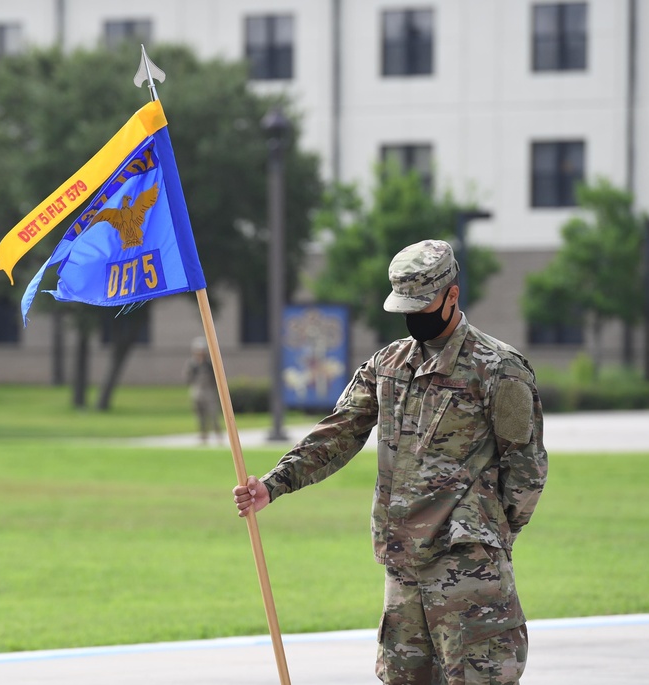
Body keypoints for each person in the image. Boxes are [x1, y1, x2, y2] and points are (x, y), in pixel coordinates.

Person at [233, 240, 547, 685]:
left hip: (467, 567)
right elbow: (340, 432)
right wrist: (274, 483)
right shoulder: (389, 364)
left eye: (422, 306)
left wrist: (491, 532)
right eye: (406, 307)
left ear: (452, 296)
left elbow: (527, 469)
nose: (412, 316)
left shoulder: (498, 368)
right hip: (403, 565)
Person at [186, 336, 222, 444]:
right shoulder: (192, 364)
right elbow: (189, 378)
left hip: (209, 392)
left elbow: (216, 378)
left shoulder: (210, 364)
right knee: (200, 415)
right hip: (197, 391)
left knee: (213, 414)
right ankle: (203, 435)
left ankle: (218, 434)